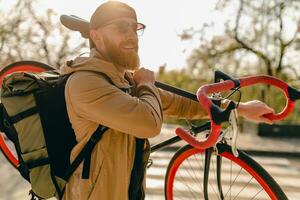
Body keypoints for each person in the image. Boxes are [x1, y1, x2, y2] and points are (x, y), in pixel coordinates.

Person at [60, 1, 275, 200]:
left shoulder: (124, 81)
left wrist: (239, 108)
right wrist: (146, 84)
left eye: (134, 28)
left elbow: (180, 102)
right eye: (120, 28)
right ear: (96, 37)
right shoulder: (85, 83)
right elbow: (149, 124)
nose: (132, 36)